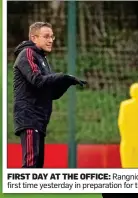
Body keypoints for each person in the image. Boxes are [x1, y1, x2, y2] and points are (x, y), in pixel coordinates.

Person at [13, 22, 87, 168]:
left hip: (40, 120)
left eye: (52, 36)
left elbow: (51, 93)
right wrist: (61, 76)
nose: (51, 40)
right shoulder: (27, 53)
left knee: (38, 166)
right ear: (34, 38)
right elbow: (37, 80)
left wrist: (67, 82)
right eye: (46, 36)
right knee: (30, 166)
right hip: (29, 118)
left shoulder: (43, 59)